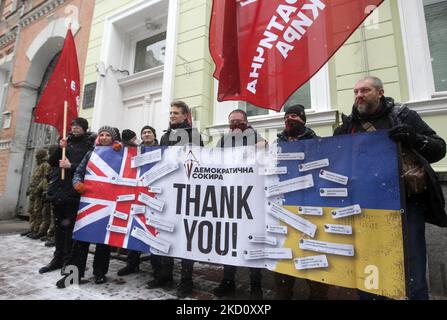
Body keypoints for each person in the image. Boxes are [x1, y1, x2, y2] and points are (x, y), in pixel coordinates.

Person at [334, 76, 447, 300]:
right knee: (369, 264)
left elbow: (439, 148)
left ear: (380, 92)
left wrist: (414, 138)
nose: (359, 95)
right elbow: (335, 160)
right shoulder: (348, 127)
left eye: (365, 90)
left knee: (411, 265)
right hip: (364, 208)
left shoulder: (403, 116)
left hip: (405, 206)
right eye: (356, 92)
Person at [147, 101, 203, 298]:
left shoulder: (193, 135)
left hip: (186, 192)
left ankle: (186, 281)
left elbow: (198, 161)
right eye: (170, 113)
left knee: (185, 238)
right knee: (165, 235)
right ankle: (165, 275)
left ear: (185, 115)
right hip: (166, 191)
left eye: (176, 113)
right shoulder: (164, 136)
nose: (172, 116)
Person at [274, 104, 330, 300]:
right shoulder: (277, 143)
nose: (290, 119)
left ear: (303, 119)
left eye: (295, 116)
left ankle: (317, 295)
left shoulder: (316, 142)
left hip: (311, 207)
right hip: (284, 207)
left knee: (313, 257)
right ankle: (283, 295)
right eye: (287, 116)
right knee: (283, 258)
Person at [55, 126, 120, 288]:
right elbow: (79, 171)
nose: (104, 137)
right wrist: (77, 184)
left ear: (113, 138)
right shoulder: (91, 153)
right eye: (102, 135)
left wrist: (122, 149)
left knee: (103, 241)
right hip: (90, 201)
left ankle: (100, 273)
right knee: (81, 239)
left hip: (109, 203)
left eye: (107, 135)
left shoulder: (120, 152)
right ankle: (73, 274)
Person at [213, 109, 266, 299]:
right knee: (229, 240)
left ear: (246, 122)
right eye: (232, 121)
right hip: (229, 196)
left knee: (253, 241)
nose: (235, 124)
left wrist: (259, 146)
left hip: (251, 198)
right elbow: (213, 162)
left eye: (238, 121)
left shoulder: (255, 137)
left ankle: (256, 285)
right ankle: (227, 280)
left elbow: (266, 150)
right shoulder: (223, 141)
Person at [39, 117, 95, 274]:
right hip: (58, 192)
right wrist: (59, 147)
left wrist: (71, 166)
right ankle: (57, 258)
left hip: (74, 193)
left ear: (84, 128)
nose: (74, 128)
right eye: (73, 126)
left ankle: (67, 261)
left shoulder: (89, 145)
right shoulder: (65, 142)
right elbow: (52, 162)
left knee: (69, 229)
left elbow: (90, 168)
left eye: (78, 126)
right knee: (59, 229)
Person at [117, 126, 160, 277]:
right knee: (135, 228)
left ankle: (157, 269)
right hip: (137, 194)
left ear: (154, 135)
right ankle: (132, 263)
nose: (147, 134)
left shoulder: (163, 150)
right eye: (144, 133)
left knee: (155, 232)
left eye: (149, 132)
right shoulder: (135, 150)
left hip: (155, 195)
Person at [23, 149, 52, 239]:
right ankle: (32, 228)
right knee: (31, 211)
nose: (36, 158)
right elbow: (34, 179)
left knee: (38, 211)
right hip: (33, 192)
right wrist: (29, 189)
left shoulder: (45, 165)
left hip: (38, 192)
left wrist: (38, 189)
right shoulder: (38, 165)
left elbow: (44, 179)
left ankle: (37, 229)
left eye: (37, 156)